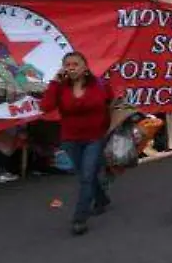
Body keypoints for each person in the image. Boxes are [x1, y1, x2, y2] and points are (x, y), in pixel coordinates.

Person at [38, 51, 115, 236]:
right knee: (84, 174)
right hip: (70, 139)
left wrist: (109, 127)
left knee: (87, 176)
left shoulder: (100, 85)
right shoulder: (60, 87)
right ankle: (102, 199)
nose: (71, 68)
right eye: (67, 65)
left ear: (85, 67)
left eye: (75, 64)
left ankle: (79, 219)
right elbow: (46, 107)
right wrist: (55, 82)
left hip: (94, 138)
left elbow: (111, 103)